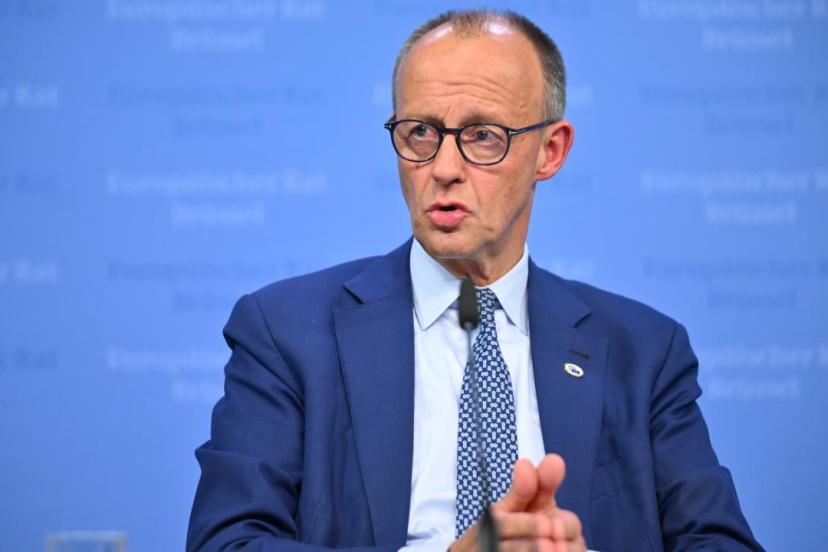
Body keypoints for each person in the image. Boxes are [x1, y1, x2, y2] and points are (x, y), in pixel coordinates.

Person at [187, 10, 763, 552]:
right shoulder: (286, 333)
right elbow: (227, 542)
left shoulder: (645, 351)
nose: (443, 168)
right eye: (420, 132)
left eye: (483, 135)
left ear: (550, 151)